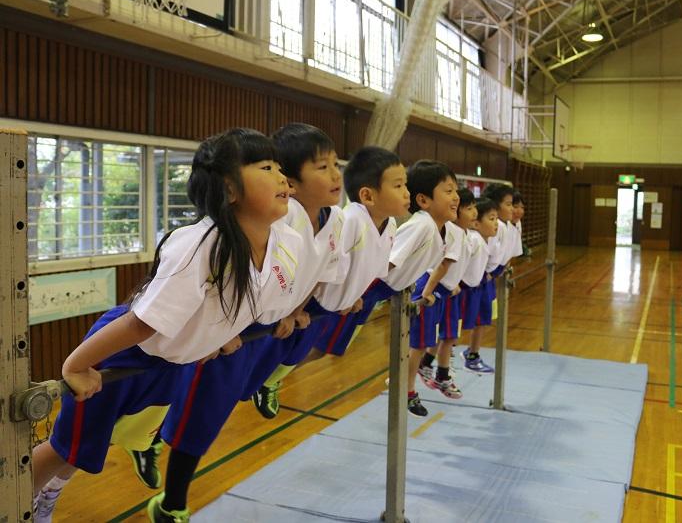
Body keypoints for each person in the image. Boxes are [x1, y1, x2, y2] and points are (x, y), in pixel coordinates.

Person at [32, 128, 303, 522]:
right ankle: (15, 499)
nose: (282, 176)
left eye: (281, 167)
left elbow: (255, 305)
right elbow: (139, 324)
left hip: (169, 365)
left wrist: (218, 336)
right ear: (229, 190)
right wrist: (76, 366)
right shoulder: (200, 245)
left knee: (95, 444)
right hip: (123, 350)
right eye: (266, 167)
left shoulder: (284, 243)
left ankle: (49, 491)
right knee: (65, 447)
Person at [140, 123, 346, 522]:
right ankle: (169, 494)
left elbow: (314, 272)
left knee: (235, 391)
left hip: (269, 325)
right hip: (231, 329)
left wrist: (294, 309)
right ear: (294, 181)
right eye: (322, 167)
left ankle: (251, 388)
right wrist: (229, 329)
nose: (337, 175)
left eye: (336, 164)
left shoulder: (332, 221)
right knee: (200, 414)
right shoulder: (275, 220)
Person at [253, 145, 409, 419]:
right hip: (312, 302)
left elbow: (367, 266)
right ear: (367, 195)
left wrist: (354, 295)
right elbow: (327, 264)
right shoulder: (350, 220)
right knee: (279, 350)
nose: (406, 193)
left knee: (300, 353)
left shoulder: (391, 225)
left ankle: (268, 381)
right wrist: (301, 308)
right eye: (398, 186)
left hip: (333, 306)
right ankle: (262, 382)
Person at [396, 160, 460, 417]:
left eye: (456, 190)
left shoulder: (440, 228)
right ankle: (405, 387)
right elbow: (389, 263)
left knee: (422, 344)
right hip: (404, 288)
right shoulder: (421, 225)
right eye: (448, 191)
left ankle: (407, 388)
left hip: (414, 288)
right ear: (423, 200)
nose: (456, 197)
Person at [417, 188, 476, 399]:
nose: (474, 213)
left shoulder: (464, 233)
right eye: (469, 209)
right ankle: (405, 375)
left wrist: (455, 284)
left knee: (448, 336)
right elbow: (442, 265)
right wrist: (427, 291)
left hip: (448, 290)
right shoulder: (453, 230)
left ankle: (437, 373)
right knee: (423, 339)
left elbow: (457, 265)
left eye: (474, 207)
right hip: (434, 287)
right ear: (456, 211)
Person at [461, 183, 517, 372]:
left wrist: (501, 270)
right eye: (509, 204)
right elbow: (486, 255)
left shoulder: (509, 226)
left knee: (484, 318)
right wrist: (489, 273)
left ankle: (472, 352)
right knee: (464, 320)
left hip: (489, 276)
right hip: (479, 278)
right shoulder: (494, 228)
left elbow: (507, 253)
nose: (514, 209)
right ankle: (454, 356)